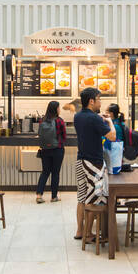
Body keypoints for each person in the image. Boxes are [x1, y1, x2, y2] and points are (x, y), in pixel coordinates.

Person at [73, 86, 116, 242]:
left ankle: (79, 231)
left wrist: (100, 120)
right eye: (99, 99)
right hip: (93, 163)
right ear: (91, 101)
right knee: (94, 198)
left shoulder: (77, 116)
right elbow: (112, 136)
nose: (100, 102)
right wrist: (110, 121)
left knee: (82, 197)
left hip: (80, 160)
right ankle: (88, 234)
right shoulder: (95, 118)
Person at [35, 101, 67, 203]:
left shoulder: (42, 120)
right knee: (55, 173)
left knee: (45, 172)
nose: (60, 109)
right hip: (57, 149)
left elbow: (39, 134)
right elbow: (64, 136)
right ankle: (54, 197)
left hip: (45, 150)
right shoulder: (59, 121)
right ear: (56, 109)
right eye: (59, 107)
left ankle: (39, 195)